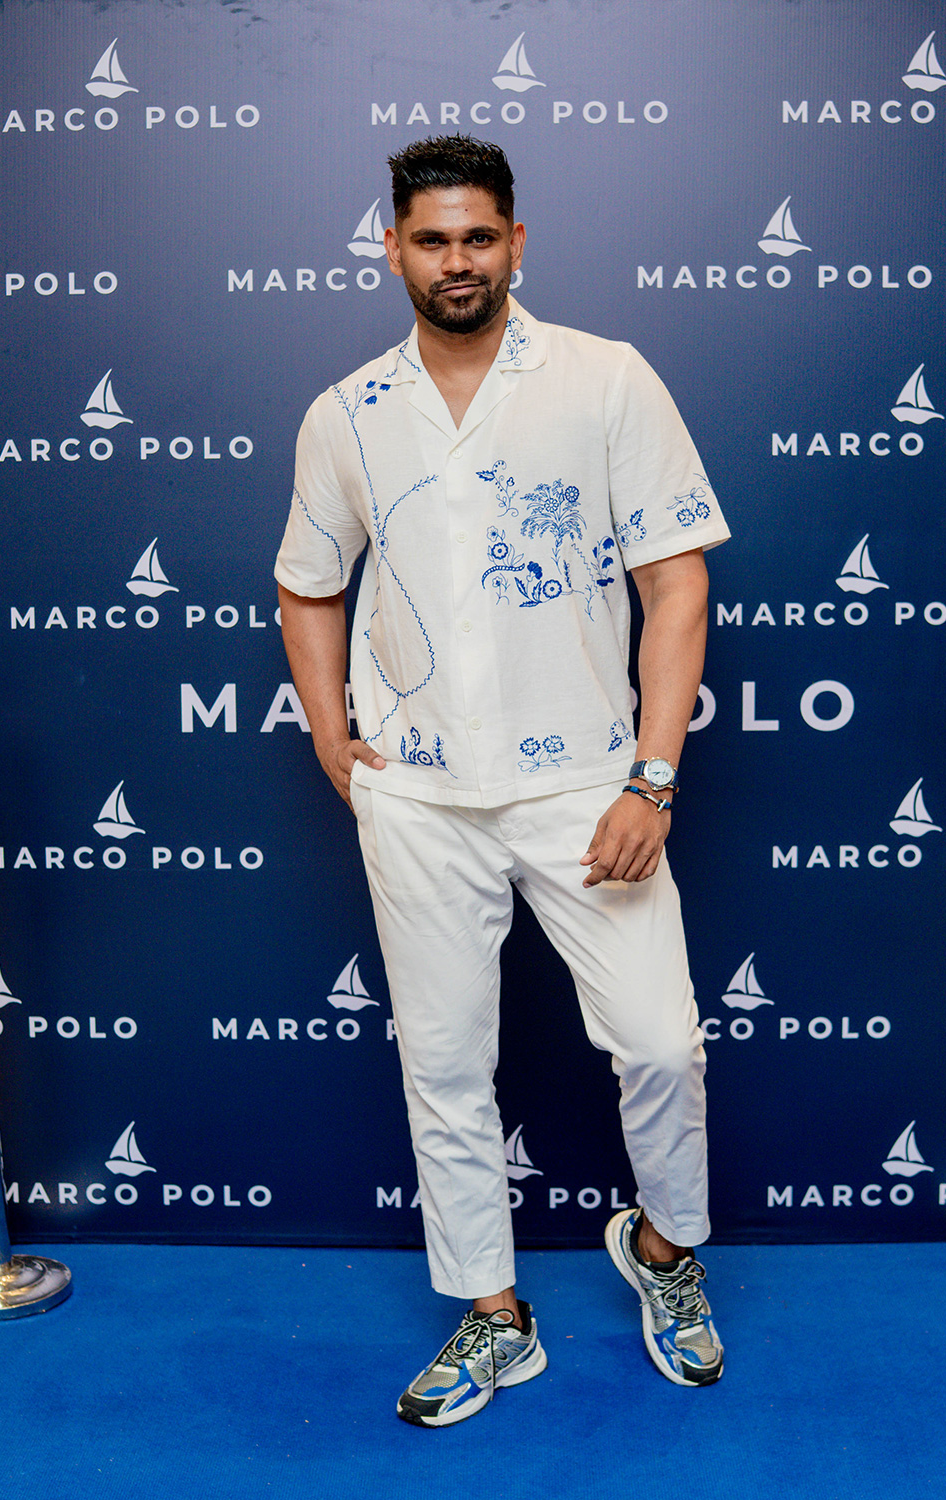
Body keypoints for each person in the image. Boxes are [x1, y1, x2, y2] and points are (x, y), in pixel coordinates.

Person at [276, 134, 730, 1428]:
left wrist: (652, 778)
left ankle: (662, 1250)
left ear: (517, 243)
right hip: (418, 795)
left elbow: (676, 581)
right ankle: (493, 1315)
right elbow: (307, 585)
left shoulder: (606, 377)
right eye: (432, 239)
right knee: (444, 1068)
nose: (457, 260)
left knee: (661, 1043)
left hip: (590, 787)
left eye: (479, 237)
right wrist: (332, 737)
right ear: (392, 249)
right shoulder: (347, 413)